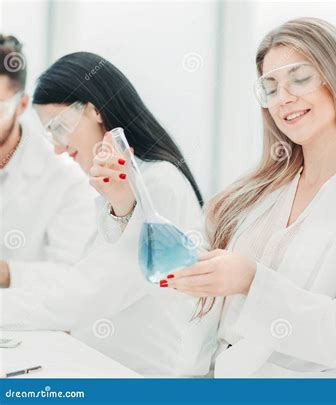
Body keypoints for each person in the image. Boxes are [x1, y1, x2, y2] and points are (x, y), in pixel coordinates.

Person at [166, 18, 336, 378]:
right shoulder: (261, 190)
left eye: (299, 79)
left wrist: (252, 282)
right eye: (270, 88)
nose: (283, 98)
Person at [0, 52, 221, 377]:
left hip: (153, 377)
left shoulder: (158, 184)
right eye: (50, 134)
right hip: (110, 364)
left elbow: (90, 293)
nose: (59, 147)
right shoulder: (118, 190)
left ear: (95, 109)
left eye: (60, 128)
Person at [0, 35, 96, 289]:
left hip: (25, 323)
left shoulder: (66, 177)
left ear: (21, 105)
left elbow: (70, 278)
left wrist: (6, 273)